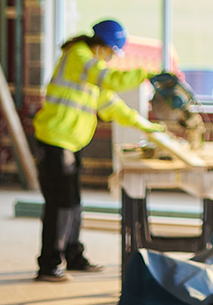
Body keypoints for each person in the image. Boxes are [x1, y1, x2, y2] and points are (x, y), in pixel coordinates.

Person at [31, 18, 166, 282]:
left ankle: (73, 256)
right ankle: (48, 265)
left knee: (73, 204)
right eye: (113, 53)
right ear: (103, 46)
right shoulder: (79, 57)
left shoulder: (90, 71)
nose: (113, 59)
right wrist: (147, 74)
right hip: (55, 141)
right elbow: (111, 79)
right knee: (60, 206)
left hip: (71, 143)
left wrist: (149, 128)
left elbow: (112, 105)